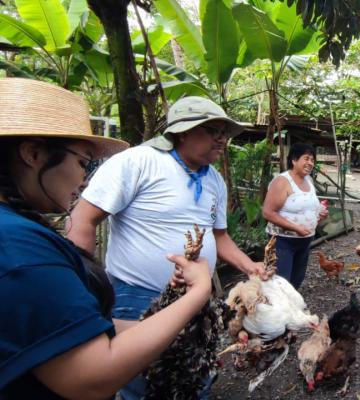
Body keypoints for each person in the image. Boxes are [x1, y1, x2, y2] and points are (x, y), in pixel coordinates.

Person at [0, 78, 213, 399]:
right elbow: (92, 375)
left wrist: (172, 311)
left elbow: (76, 330)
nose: (85, 178)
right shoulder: (18, 244)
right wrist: (199, 291)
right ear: (32, 153)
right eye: (83, 162)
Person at [67, 96, 269, 399]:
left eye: (225, 133)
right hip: (138, 296)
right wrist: (86, 291)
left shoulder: (214, 179)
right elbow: (82, 220)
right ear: (184, 131)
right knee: (142, 384)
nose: (222, 139)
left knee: (192, 376)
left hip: (196, 300)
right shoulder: (139, 161)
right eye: (213, 130)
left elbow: (220, 237)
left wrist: (249, 265)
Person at [262, 143, 329, 288]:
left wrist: (319, 214)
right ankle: (277, 310)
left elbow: (307, 207)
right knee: (280, 284)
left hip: (304, 242)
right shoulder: (282, 181)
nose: (310, 163)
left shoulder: (309, 181)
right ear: (294, 160)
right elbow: (267, 212)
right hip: (283, 242)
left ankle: (290, 309)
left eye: (312, 160)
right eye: (306, 158)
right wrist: (295, 227)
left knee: (295, 281)